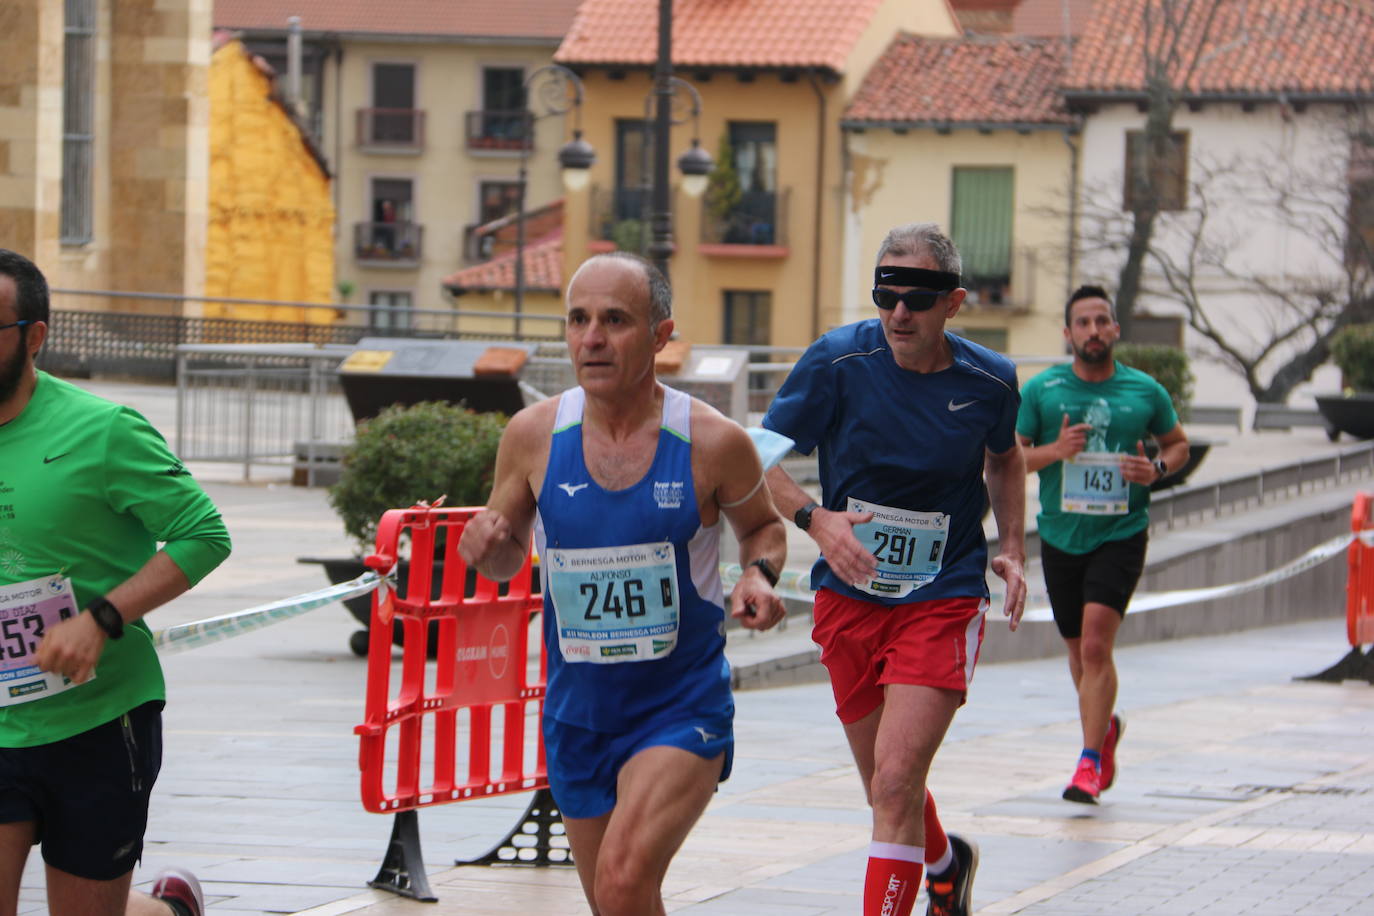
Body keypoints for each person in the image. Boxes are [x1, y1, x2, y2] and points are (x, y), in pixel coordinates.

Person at [458, 252, 787, 915]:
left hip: (679, 707)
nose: (592, 338)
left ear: (662, 335)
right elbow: (506, 558)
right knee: (615, 902)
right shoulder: (532, 436)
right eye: (578, 320)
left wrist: (759, 574)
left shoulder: (712, 442)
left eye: (615, 320)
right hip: (577, 712)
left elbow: (765, 528)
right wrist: (485, 550)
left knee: (624, 878)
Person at [762, 223, 1027, 916]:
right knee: (885, 784)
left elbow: (1005, 458)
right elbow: (753, 456)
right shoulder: (836, 362)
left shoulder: (990, 380)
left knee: (897, 778)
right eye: (887, 293)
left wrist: (1014, 547)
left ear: (954, 302)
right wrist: (815, 521)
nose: (900, 311)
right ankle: (946, 864)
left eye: (918, 296)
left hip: (944, 591)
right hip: (850, 595)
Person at [0, 249, 231, 916]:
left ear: (33, 336)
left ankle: (167, 912)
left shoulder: (103, 431)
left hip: (98, 720)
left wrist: (99, 619)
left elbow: (203, 534)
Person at [1016, 285, 1189, 804]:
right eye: (1083, 323)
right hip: (1061, 536)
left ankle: (1089, 763)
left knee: (1095, 643)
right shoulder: (1043, 391)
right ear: (1068, 334)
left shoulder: (1145, 392)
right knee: (1078, 652)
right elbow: (1009, 460)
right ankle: (1103, 730)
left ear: (1115, 329)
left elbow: (1177, 445)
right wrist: (1056, 450)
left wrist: (1155, 469)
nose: (1094, 330)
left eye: (1102, 321)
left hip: (1121, 532)